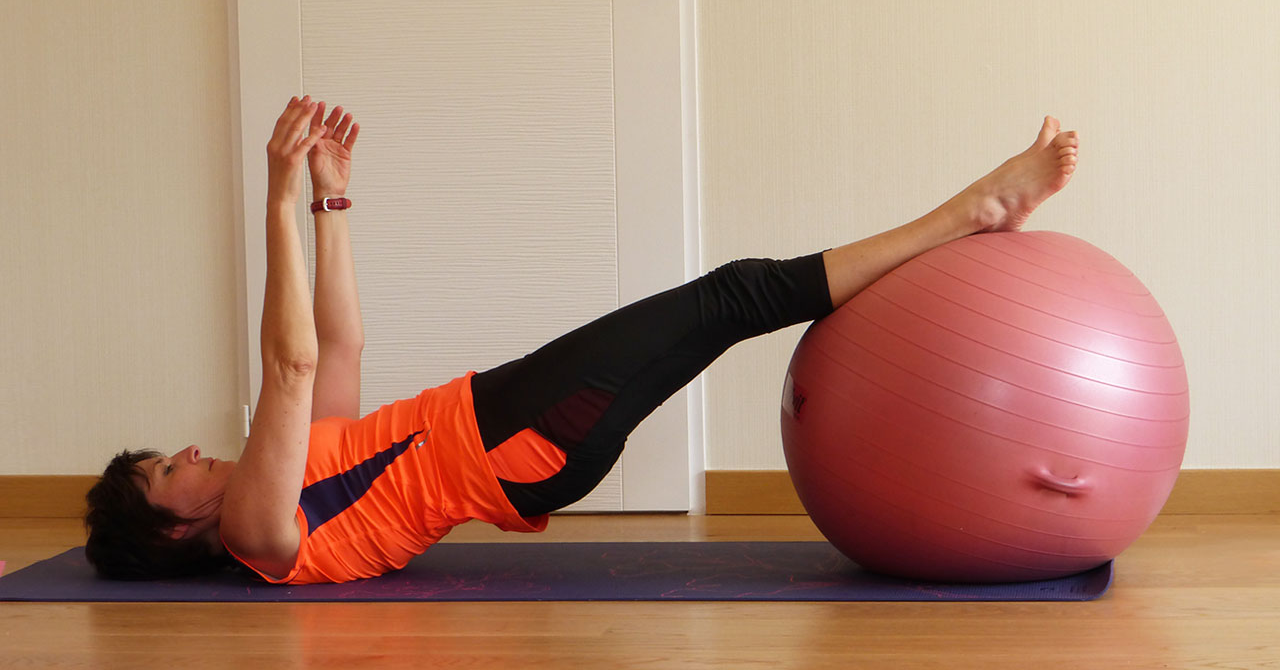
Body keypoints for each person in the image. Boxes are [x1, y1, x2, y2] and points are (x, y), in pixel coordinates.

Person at [84, 97, 1080, 584]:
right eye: (161, 473)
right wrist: (273, 195)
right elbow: (289, 361)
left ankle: (970, 211)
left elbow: (335, 350)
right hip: (515, 441)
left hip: (500, 418)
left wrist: (331, 196)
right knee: (733, 297)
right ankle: (972, 209)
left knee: (731, 300)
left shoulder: (282, 475)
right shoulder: (261, 529)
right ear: (174, 527)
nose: (181, 453)